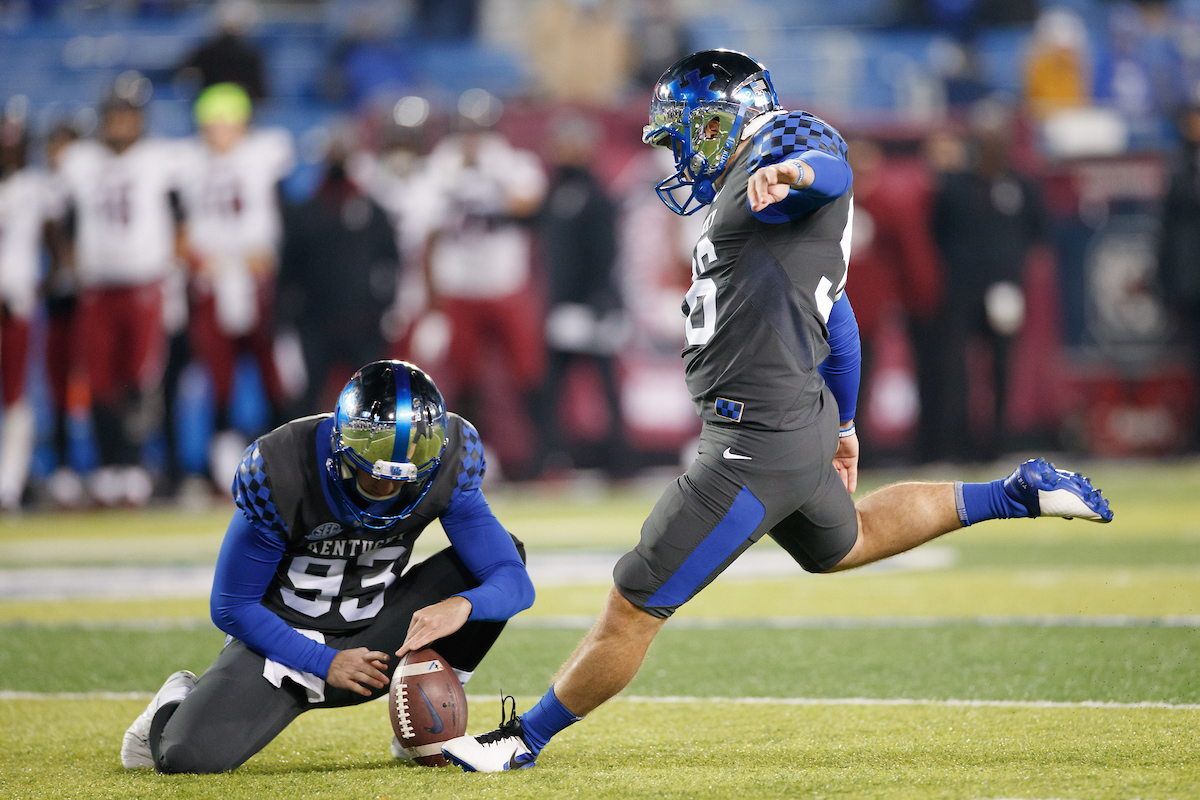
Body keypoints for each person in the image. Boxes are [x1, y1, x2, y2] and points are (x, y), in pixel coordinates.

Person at [439, 49, 1113, 772]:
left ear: (726, 118)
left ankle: (522, 741)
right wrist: (846, 424)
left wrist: (792, 172)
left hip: (754, 436)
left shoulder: (783, 144)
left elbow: (830, 165)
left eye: (682, 133)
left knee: (633, 603)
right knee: (844, 543)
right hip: (793, 421)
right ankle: (1014, 494)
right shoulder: (756, 197)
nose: (677, 152)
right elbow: (839, 319)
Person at [120, 359, 535, 773]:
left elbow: (514, 580)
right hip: (283, 647)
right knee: (185, 758)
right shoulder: (282, 466)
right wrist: (325, 661)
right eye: (373, 477)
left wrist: (462, 605)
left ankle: (425, 722)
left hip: (380, 633)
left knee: (493, 569)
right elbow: (230, 605)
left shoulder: (450, 459)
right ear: (342, 448)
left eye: (403, 480)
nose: (387, 492)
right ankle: (175, 699)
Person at [56, 93, 186, 506]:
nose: (119, 124)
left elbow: (180, 219)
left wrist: (174, 272)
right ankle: (107, 465)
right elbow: (68, 223)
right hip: (97, 288)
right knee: (98, 379)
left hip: (144, 284)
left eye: (126, 116)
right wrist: (72, 267)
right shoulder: (82, 162)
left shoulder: (159, 159)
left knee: (141, 378)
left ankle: (133, 463)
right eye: (113, 116)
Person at [179, 83, 294, 489]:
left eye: (226, 123)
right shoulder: (189, 162)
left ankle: (287, 459)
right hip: (211, 280)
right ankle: (222, 463)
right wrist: (196, 258)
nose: (219, 132)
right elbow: (178, 226)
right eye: (212, 124)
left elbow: (283, 214)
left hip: (258, 277)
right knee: (218, 374)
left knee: (273, 371)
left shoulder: (264, 153)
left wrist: (266, 254)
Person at [279, 135, 400, 416]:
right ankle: (310, 457)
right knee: (309, 401)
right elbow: (289, 270)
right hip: (316, 323)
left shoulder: (370, 210)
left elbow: (391, 260)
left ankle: (373, 456)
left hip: (363, 322)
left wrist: (388, 304)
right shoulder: (307, 212)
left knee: (376, 401)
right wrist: (285, 319)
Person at [536, 114, 626, 476]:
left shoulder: (596, 193)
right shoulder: (555, 191)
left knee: (605, 386)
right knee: (554, 388)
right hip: (564, 306)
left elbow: (607, 250)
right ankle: (551, 458)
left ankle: (621, 462)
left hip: (592, 305)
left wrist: (602, 297)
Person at [0, 104, 56, 510]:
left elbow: (58, 244)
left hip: (15, 303)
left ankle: (10, 483)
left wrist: (43, 285)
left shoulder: (37, 188)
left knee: (17, 395)